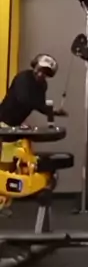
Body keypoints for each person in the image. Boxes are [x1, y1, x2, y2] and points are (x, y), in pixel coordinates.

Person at [0, 54, 66, 210]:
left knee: (12, 166)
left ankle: (4, 203)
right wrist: (45, 108)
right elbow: (24, 99)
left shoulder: (42, 86)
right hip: (3, 123)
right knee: (3, 166)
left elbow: (40, 105)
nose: (41, 74)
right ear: (34, 66)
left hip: (16, 127)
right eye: (40, 69)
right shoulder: (23, 78)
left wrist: (53, 112)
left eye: (46, 72)